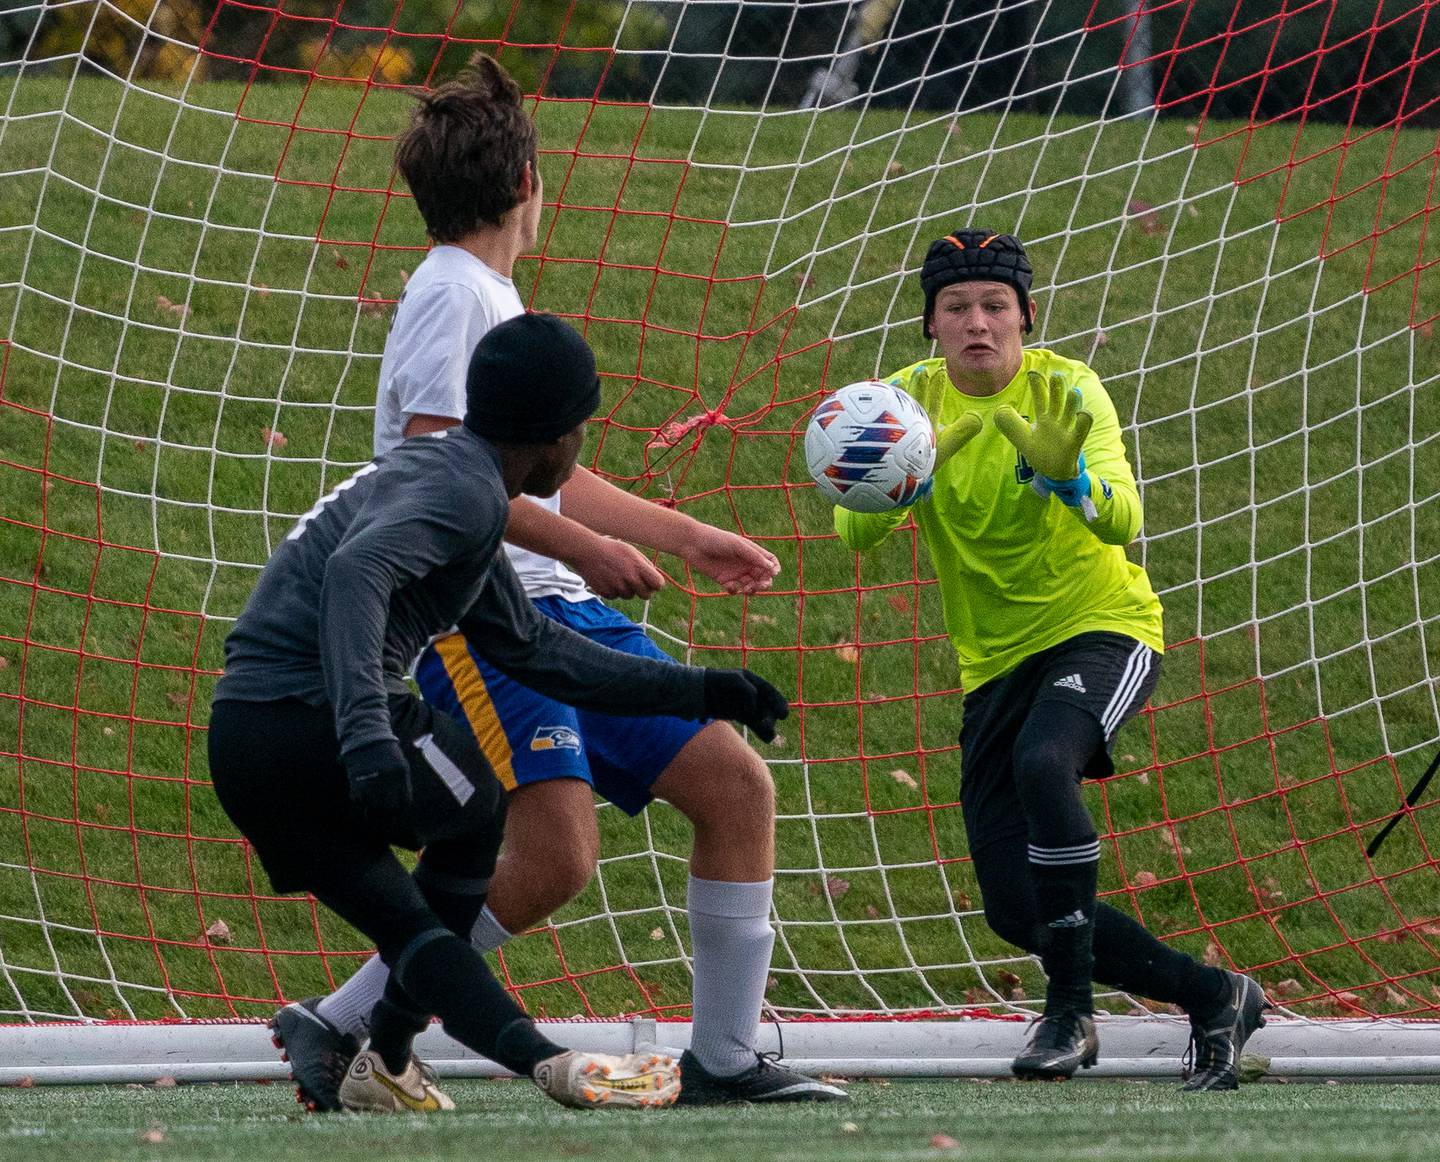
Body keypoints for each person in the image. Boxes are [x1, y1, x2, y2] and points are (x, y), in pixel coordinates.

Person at [269, 52, 847, 1110]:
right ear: (529, 181)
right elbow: (442, 474)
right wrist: (578, 549)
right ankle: (344, 1022)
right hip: (493, 621)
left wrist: (683, 535)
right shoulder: (452, 298)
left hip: (561, 607)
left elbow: (549, 471)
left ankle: (724, 1055)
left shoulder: (486, 291)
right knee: (556, 857)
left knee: (734, 786)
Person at [211, 313, 790, 1114]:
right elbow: (356, 572)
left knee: (420, 922)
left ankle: (385, 1057)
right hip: (314, 717)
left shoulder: (458, 481)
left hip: (244, 743)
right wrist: (368, 734)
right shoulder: (461, 491)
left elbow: (536, 651)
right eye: (584, 425)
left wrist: (701, 691)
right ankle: (545, 1065)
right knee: (477, 809)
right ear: (558, 436)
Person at [831, 229, 1270, 1090]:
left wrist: (1072, 482)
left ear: (1026, 316)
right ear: (931, 325)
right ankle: (1215, 994)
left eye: (996, 305)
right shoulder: (899, 404)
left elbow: (1125, 519)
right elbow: (854, 530)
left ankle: (1069, 1015)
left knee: (1044, 765)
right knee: (1012, 905)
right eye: (956, 308)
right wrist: (905, 476)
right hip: (993, 665)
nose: (977, 323)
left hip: (1103, 628)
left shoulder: (1070, 388)